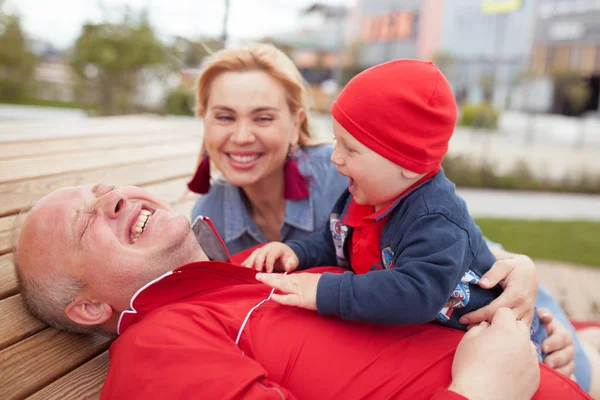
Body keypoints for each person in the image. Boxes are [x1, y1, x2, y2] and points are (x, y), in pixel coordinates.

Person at [13, 184, 590, 399]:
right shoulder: (156, 350)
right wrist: (486, 388)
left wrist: (516, 331)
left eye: (100, 188)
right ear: (89, 307)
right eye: (85, 222)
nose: (111, 197)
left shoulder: (248, 274)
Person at [243, 59, 548, 354]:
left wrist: (325, 291)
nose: (336, 157)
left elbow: (415, 292)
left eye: (350, 148)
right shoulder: (364, 194)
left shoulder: (436, 219)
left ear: (409, 164)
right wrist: (296, 252)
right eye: (337, 141)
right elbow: (333, 241)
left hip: (514, 346)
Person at [187, 43, 347, 254]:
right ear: (204, 121)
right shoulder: (209, 216)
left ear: (295, 125)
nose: (242, 137)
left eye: (263, 118)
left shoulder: (344, 179)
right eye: (225, 117)